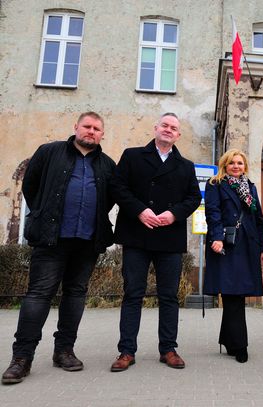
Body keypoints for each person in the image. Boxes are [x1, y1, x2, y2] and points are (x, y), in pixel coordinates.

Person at [1, 112, 116, 385]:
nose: (91, 131)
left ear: (102, 134)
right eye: (87, 126)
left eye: (97, 129)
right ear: (76, 127)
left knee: (76, 295)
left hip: (87, 241)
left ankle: (64, 350)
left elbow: (109, 199)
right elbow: (31, 186)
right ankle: (22, 358)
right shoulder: (49, 152)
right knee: (38, 295)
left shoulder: (107, 164)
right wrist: (43, 213)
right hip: (51, 239)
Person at [110, 112, 201, 372]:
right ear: (155, 128)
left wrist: (173, 214)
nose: (169, 130)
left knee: (169, 296)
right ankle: (126, 351)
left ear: (178, 135)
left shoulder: (185, 165)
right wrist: (140, 210)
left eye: (174, 128)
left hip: (168, 237)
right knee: (133, 294)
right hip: (136, 234)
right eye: (165, 125)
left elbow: (193, 198)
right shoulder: (132, 155)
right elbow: (117, 187)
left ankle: (169, 349)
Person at [203, 149, 263, 363]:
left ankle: (228, 340)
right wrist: (216, 237)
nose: (236, 166)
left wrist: (262, 246)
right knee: (232, 293)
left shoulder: (250, 187)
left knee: (237, 294)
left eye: (240, 163)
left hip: (248, 244)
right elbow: (212, 213)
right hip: (226, 243)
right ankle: (241, 346)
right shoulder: (215, 184)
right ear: (225, 164)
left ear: (245, 166)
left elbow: (258, 217)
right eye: (232, 163)